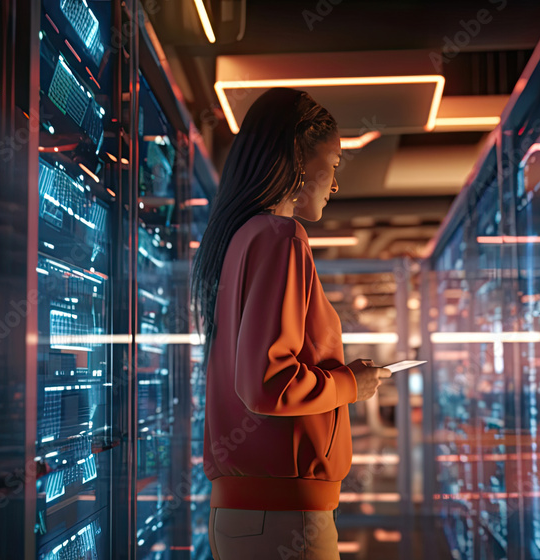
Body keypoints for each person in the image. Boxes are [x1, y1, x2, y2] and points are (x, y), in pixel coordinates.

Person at [191, 87, 391, 560]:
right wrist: (350, 385)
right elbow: (267, 384)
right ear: (299, 157)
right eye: (335, 163)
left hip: (247, 516)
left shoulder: (238, 240)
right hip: (284, 520)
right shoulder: (282, 238)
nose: (335, 182)